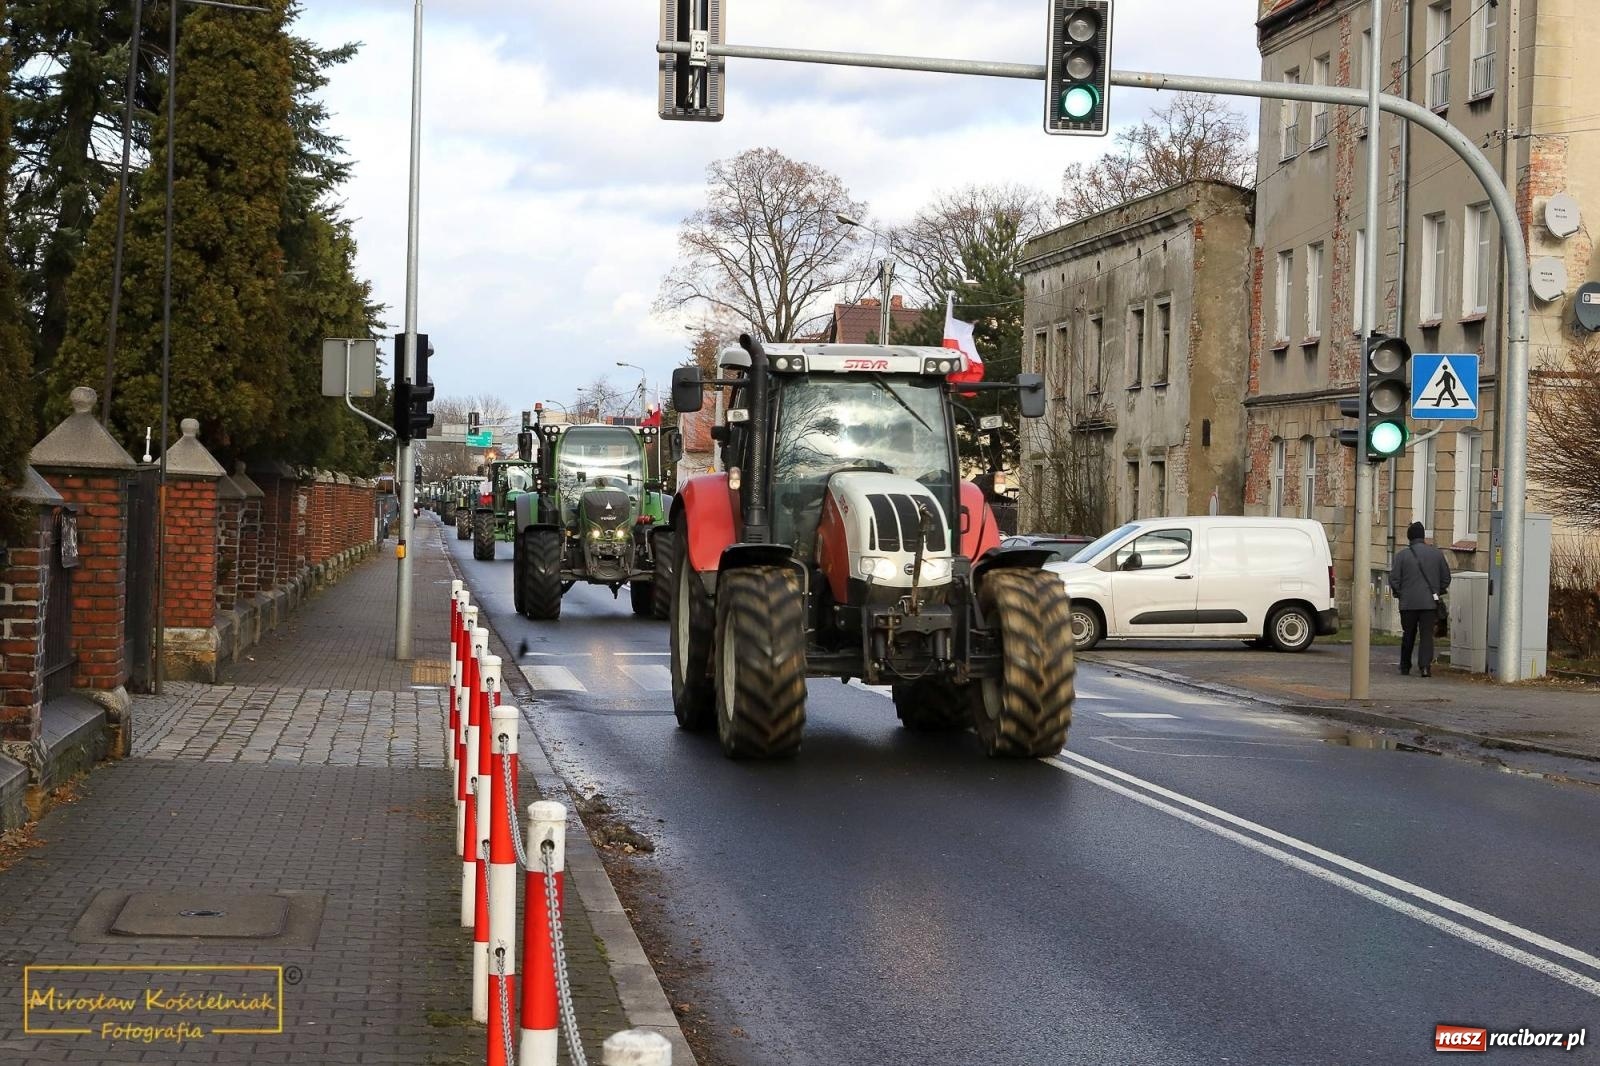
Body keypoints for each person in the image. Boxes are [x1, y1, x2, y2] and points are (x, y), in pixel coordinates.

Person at [1389, 520, 1451, 677]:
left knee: (1408, 634)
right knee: (1426, 635)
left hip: (1408, 604)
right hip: (1429, 604)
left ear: (1409, 537)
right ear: (1423, 536)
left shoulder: (1401, 556)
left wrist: (1401, 593)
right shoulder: (1437, 554)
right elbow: (1446, 578)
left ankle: (1405, 666)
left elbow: (1394, 579)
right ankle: (1425, 667)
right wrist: (1437, 590)